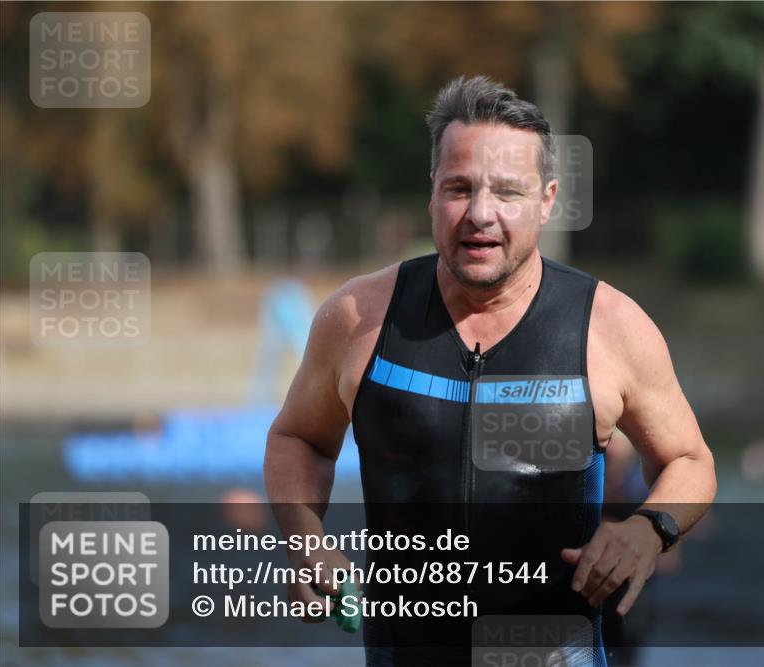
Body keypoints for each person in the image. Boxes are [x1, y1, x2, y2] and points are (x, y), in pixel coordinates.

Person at [264, 75, 717, 666]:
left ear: (548, 200)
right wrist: (304, 542)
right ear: (432, 192)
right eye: (460, 188)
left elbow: (691, 460)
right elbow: (297, 436)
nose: (480, 214)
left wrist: (648, 531)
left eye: (507, 192)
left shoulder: (609, 327)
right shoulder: (358, 318)